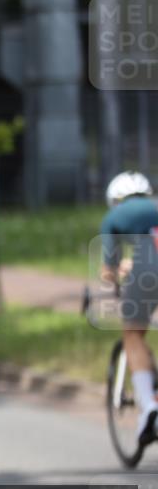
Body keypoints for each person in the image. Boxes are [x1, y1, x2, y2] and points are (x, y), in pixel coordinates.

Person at [99, 170, 158, 465]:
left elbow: (108, 270)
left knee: (133, 335)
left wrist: (115, 280)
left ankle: (149, 406)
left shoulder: (114, 217)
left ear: (115, 200)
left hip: (147, 275)